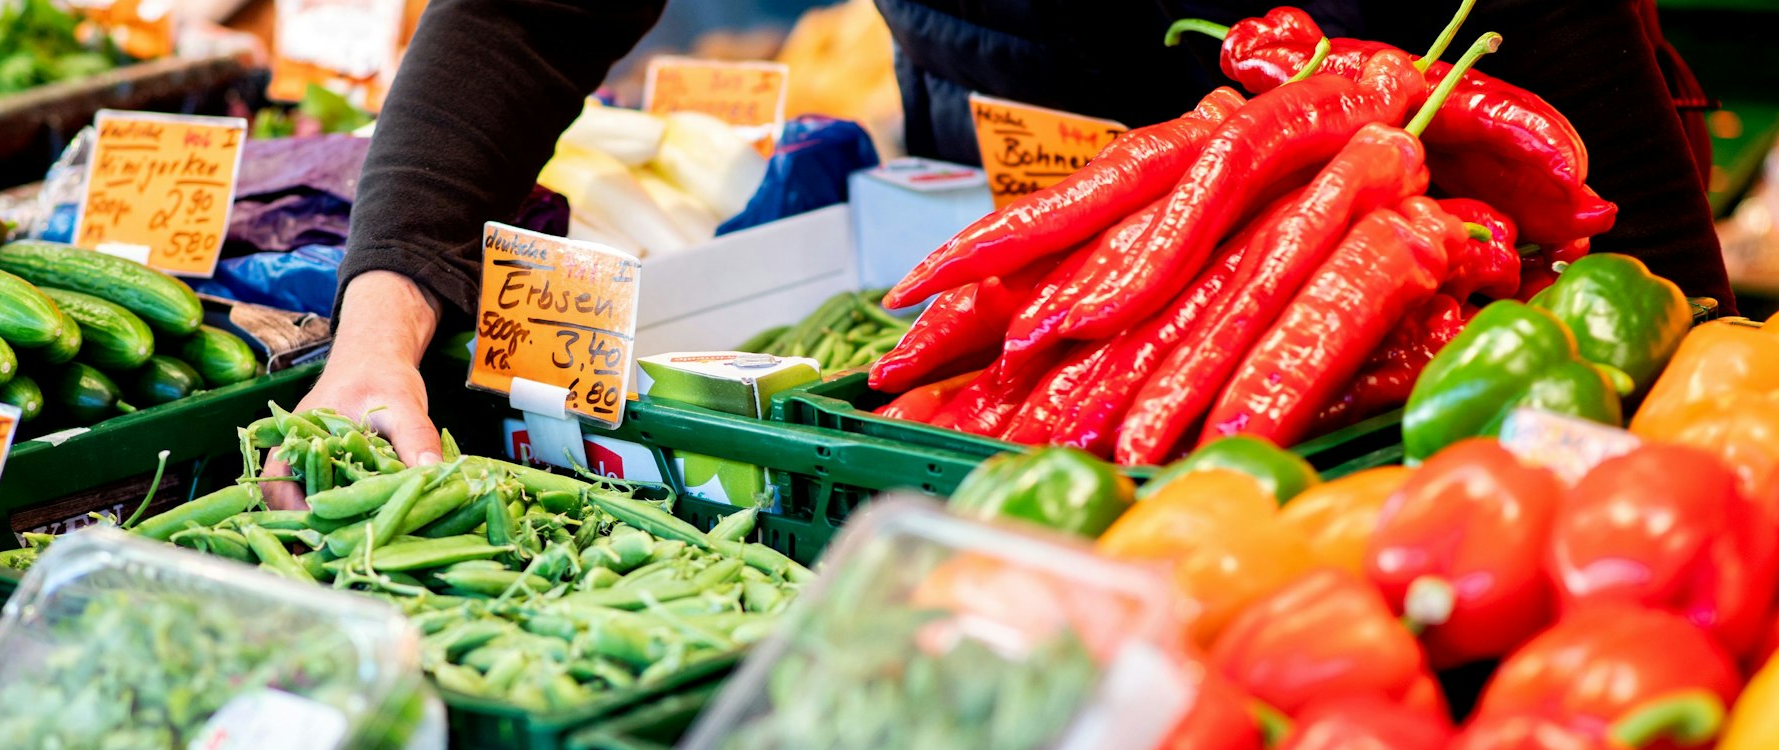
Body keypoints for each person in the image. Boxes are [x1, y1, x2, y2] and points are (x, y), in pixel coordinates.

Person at [289, 0, 1727, 475]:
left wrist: (1697, 379)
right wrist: (376, 339)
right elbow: (524, 17)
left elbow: (1582, 81)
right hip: (1019, 254)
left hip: (1397, 287)